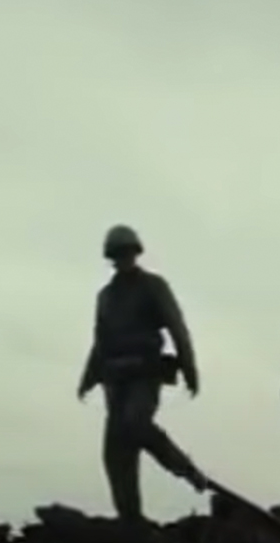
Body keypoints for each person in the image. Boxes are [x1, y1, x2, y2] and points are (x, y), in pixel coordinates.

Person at [77, 224, 209, 523]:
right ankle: (130, 519)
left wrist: (189, 368)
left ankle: (186, 470)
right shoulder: (106, 297)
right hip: (115, 377)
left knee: (136, 424)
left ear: (135, 253)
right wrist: (87, 378)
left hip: (145, 374)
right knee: (115, 452)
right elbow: (100, 341)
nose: (124, 259)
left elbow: (177, 326)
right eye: (118, 254)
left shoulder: (153, 286)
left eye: (127, 253)